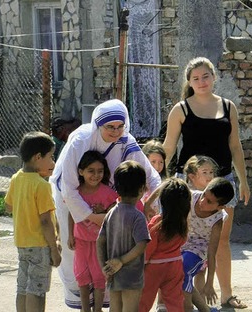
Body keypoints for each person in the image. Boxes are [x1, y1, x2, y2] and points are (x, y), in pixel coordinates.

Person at [50, 99, 162, 309]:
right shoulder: (81, 140)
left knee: (106, 255)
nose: (115, 131)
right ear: (98, 125)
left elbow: (151, 177)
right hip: (73, 203)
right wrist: (93, 216)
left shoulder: (126, 141)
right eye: (110, 127)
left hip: (106, 203)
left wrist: (152, 204)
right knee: (77, 254)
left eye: (120, 126)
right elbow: (68, 188)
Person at [162, 56, 250, 309]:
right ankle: (171, 296)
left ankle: (226, 294)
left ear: (214, 77)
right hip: (188, 184)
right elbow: (169, 148)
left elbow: (235, 146)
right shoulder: (180, 109)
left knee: (221, 240)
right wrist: (160, 180)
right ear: (189, 82)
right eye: (195, 78)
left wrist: (243, 180)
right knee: (181, 238)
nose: (201, 82)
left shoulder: (228, 107)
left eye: (205, 76)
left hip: (221, 184)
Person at [4, 131, 61, 312]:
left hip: (22, 244)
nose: (52, 161)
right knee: (37, 291)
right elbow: (46, 221)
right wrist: (54, 249)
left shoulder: (16, 178)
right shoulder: (42, 185)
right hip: (40, 246)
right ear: (38, 157)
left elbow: (8, 207)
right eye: (50, 157)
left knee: (23, 288)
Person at [97, 161, 151, 312]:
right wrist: (121, 261)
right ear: (142, 189)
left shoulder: (111, 213)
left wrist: (104, 267)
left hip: (113, 274)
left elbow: (100, 241)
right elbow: (142, 245)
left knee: (115, 309)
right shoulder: (138, 216)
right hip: (132, 276)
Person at [67, 151, 118, 312]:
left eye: (100, 171)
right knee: (81, 276)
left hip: (100, 242)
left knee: (98, 276)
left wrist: (103, 210)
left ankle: (97, 309)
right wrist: (69, 234)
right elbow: (71, 213)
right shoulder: (76, 193)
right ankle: (84, 308)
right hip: (80, 240)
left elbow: (114, 214)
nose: (96, 175)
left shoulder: (108, 193)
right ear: (81, 172)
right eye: (91, 170)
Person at [181, 177, 234, 312]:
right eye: (204, 195)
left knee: (183, 269)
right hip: (181, 242)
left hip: (199, 249)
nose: (202, 201)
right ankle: (205, 310)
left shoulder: (217, 220)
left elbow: (212, 251)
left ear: (220, 207)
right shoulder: (191, 197)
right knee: (171, 269)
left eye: (209, 201)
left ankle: (190, 308)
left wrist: (210, 282)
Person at [139, 178, 192, 312]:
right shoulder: (183, 222)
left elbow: (149, 246)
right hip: (175, 264)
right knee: (175, 301)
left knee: (144, 300)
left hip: (154, 267)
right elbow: (183, 240)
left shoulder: (157, 221)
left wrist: (141, 263)